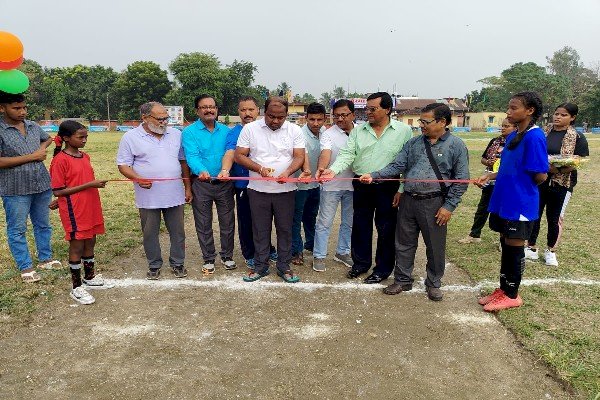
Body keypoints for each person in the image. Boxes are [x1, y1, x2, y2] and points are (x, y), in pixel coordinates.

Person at [360, 103, 470, 301]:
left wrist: (449, 206)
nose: (421, 125)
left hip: (435, 204)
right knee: (403, 243)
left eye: (425, 122)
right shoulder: (414, 144)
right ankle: (402, 280)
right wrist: (374, 175)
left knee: (435, 246)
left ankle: (434, 283)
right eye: (421, 121)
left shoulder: (456, 146)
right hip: (409, 201)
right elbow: (397, 166)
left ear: (442, 122)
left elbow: (461, 180)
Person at [317, 92, 412, 284]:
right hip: (361, 184)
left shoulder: (403, 131)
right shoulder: (359, 131)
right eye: (366, 108)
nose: (367, 112)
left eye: (372, 109)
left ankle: (382, 269)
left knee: (386, 229)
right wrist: (332, 171)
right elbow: (347, 154)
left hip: (388, 186)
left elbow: (408, 163)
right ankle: (360, 264)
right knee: (360, 226)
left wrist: (401, 189)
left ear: (387, 109)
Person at [476, 92, 548, 311]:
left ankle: (512, 294)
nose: (508, 112)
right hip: (504, 200)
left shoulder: (535, 137)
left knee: (515, 248)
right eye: (508, 107)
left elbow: (540, 175)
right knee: (506, 245)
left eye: (513, 108)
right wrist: (490, 176)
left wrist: (521, 186)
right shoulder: (513, 135)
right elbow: (510, 168)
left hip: (520, 203)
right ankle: (503, 289)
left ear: (530, 111)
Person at [234, 96, 307, 283]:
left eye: (280, 117)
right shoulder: (250, 129)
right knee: (260, 229)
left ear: (286, 115)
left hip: (286, 190)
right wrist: (259, 169)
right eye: (271, 116)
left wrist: (289, 172)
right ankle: (261, 266)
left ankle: (284, 266)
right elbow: (239, 155)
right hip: (258, 189)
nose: (275, 121)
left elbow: (299, 156)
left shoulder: (295, 130)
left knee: (285, 229)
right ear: (263, 112)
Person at [117, 102, 192, 280]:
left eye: (166, 118)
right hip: (148, 196)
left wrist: (187, 187)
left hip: (174, 194)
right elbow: (123, 165)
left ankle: (178, 263)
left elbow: (183, 162)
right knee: (150, 232)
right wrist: (137, 178)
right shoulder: (130, 137)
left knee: (178, 232)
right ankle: (154, 264)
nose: (164, 122)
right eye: (160, 119)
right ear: (145, 117)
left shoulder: (175, 134)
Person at [0, 92, 61, 283]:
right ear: (2, 108)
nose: (22, 112)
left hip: (41, 184)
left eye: (24, 107)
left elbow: (48, 138)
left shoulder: (33, 126)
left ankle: (45, 258)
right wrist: (32, 157)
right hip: (15, 188)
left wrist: (42, 148)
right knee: (17, 229)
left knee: (43, 224)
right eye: (16, 108)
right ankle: (25, 266)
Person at [50, 121, 110, 304]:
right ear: (66, 138)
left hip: (90, 205)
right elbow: (58, 191)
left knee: (91, 240)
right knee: (77, 245)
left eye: (86, 137)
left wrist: (90, 185)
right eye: (80, 137)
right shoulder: (60, 160)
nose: (84, 140)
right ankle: (76, 287)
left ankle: (89, 277)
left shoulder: (85, 156)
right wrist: (90, 184)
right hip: (74, 210)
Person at [525, 103, 589, 266]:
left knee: (554, 218)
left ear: (572, 118)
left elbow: (579, 161)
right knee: (535, 214)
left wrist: (556, 168)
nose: (558, 117)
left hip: (562, 183)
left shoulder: (578, 137)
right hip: (540, 179)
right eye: (556, 114)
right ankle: (531, 248)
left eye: (563, 115)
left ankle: (551, 251)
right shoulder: (543, 132)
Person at [221, 96, 277, 269]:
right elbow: (231, 152)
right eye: (243, 110)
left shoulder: (266, 129)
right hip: (244, 185)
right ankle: (249, 253)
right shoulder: (234, 132)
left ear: (258, 111)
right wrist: (225, 170)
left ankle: (267, 248)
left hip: (266, 184)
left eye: (251, 109)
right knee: (246, 220)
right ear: (238, 112)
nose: (247, 113)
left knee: (264, 220)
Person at [182, 94, 236, 274]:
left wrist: (224, 171)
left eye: (212, 106)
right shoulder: (189, 132)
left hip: (224, 183)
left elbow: (230, 153)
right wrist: (201, 170)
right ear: (197, 110)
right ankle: (208, 258)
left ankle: (227, 256)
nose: (209, 110)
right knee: (203, 222)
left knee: (227, 221)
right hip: (201, 183)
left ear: (217, 110)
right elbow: (192, 156)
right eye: (204, 107)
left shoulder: (226, 131)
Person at [312, 99, 355, 272]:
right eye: (336, 115)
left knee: (348, 222)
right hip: (331, 186)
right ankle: (319, 255)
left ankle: (342, 252)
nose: (339, 119)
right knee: (324, 221)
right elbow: (326, 152)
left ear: (353, 114)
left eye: (344, 115)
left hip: (353, 185)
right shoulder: (328, 134)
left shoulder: (361, 131)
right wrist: (322, 168)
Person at [459, 118, 515, 244]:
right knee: (482, 208)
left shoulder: (516, 143)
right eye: (502, 125)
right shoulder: (495, 141)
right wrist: (488, 162)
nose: (503, 128)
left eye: (507, 126)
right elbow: (483, 159)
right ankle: (474, 234)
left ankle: (504, 239)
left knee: (503, 210)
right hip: (490, 181)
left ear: (515, 128)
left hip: (507, 183)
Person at [291, 102, 326, 266]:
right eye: (312, 119)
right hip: (299, 186)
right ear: (306, 118)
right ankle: (296, 250)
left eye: (319, 119)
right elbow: (302, 154)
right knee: (295, 219)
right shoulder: (299, 134)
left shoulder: (325, 133)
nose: (316, 123)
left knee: (311, 217)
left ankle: (311, 244)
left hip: (315, 185)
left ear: (325, 119)